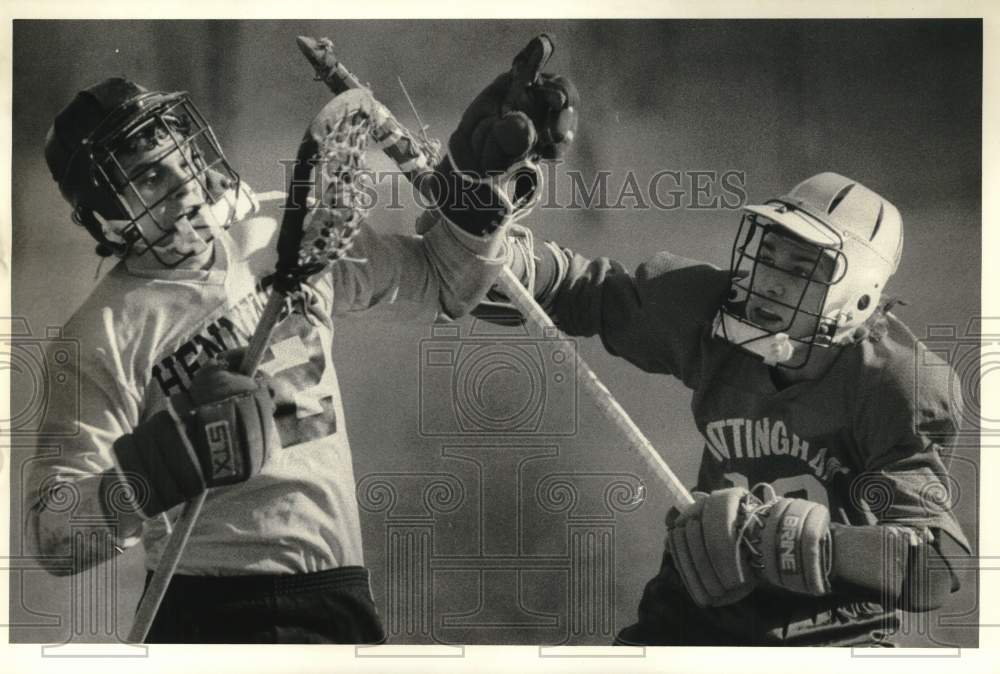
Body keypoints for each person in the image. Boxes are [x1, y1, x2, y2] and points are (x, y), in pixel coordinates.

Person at [25, 56, 577, 644]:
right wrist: (158, 469)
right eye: (149, 177)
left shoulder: (280, 236)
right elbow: (56, 538)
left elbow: (445, 281)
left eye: (177, 156)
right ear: (108, 216)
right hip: (208, 610)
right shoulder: (103, 330)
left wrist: (484, 185)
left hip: (338, 596)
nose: (183, 180)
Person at [484, 171, 972, 646]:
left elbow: (934, 567)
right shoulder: (712, 312)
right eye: (768, 254)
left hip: (831, 634)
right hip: (696, 611)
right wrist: (500, 260)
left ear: (858, 293)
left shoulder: (897, 383)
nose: (769, 279)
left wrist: (818, 543)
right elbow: (583, 290)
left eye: (800, 270)